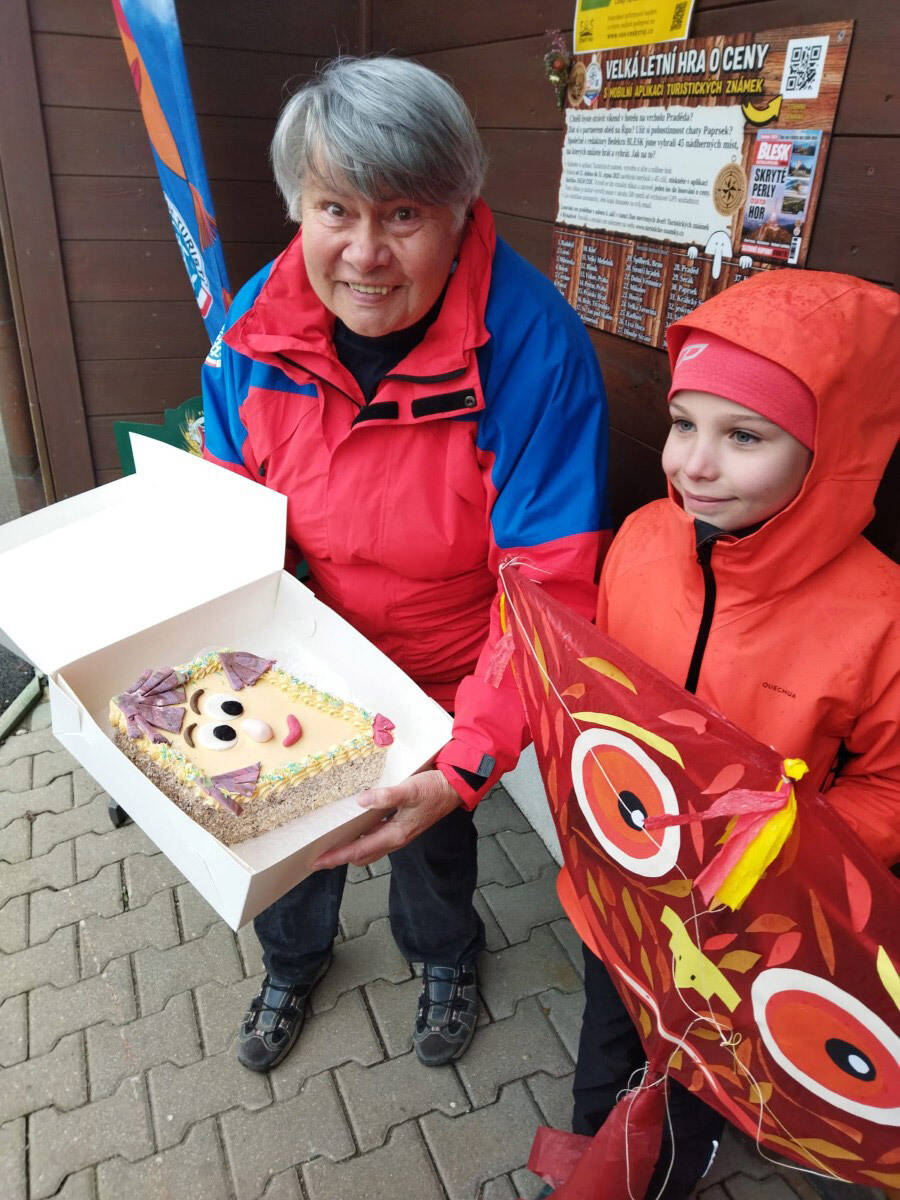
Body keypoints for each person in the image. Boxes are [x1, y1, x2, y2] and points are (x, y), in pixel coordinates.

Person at [201, 56, 610, 1073]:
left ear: (461, 214)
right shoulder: (254, 325)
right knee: (284, 828)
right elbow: (226, 502)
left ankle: (445, 957)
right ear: (299, 208)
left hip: (447, 673)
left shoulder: (535, 349)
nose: (365, 253)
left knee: (431, 838)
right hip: (299, 653)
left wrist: (468, 756)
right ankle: (292, 963)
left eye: (404, 214)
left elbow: (547, 584)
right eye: (335, 209)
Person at [559, 269, 900, 1198]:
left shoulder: (879, 617)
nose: (693, 466)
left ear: (829, 454)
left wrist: (779, 851)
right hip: (620, 894)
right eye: (683, 423)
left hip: (750, 924)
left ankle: (676, 1158)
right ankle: (599, 1148)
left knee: (708, 1068)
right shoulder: (642, 538)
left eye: (744, 436)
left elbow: (891, 782)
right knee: (610, 1036)